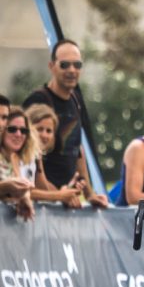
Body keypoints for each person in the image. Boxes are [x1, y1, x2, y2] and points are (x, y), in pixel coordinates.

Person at [22, 39, 108, 207]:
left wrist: (89, 193)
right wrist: (53, 195)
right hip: (41, 200)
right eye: (65, 65)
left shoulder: (76, 99)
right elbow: (25, 152)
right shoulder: (38, 100)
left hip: (65, 196)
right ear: (51, 66)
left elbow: (77, 149)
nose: (71, 70)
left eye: (77, 65)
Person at [2, 106, 81, 210]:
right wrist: (60, 196)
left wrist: (66, 192)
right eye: (39, 129)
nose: (44, 135)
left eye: (49, 131)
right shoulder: (13, 154)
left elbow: (42, 190)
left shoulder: (33, 156)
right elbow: (21, 191)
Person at [0, 106, 38, 219]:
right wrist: (5, 187)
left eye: (23, 130)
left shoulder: (15, 158)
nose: (18, 134)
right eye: (12, 129)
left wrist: (24, 197)